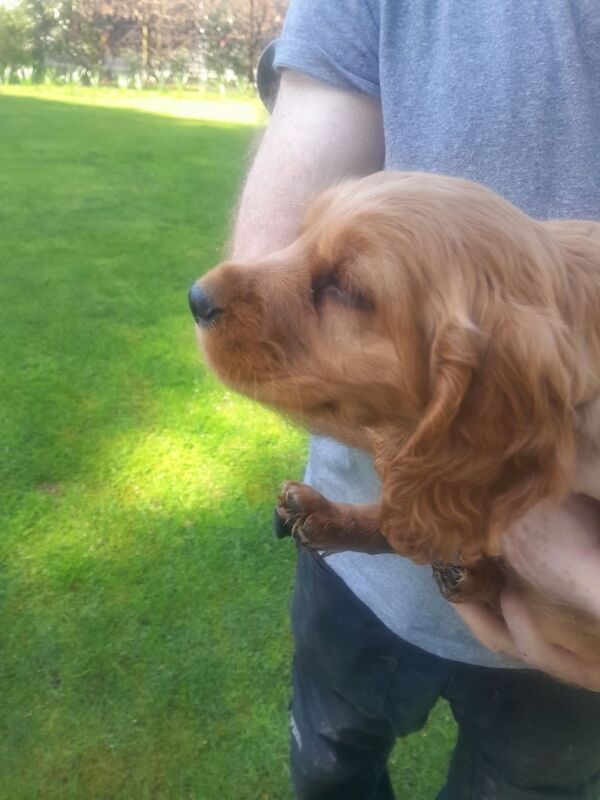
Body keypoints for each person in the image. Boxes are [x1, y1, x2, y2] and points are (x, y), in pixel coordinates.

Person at [228, 1, 600, 797]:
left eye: (344, 287)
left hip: (570, 661)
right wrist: (500, 493)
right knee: (330, 766)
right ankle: (364, 529)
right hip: (365, 596)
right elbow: (260, 275)